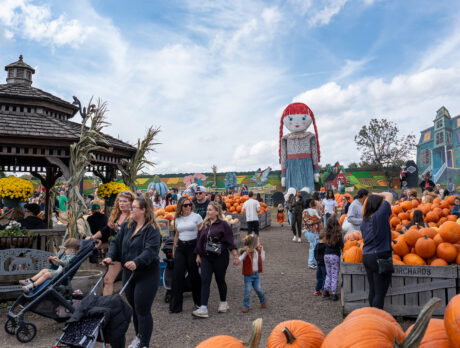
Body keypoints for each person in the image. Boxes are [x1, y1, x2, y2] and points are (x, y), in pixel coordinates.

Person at [103, 197, 162, 348]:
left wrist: (137, 262)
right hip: (129, 273)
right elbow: (116, 242)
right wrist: (110, 256)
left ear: (143, 210)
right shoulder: (127, 226)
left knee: (142, 308)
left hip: (146, 274)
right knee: (134, 307)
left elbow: (151, 250)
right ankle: (139, 337)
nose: (130, 209)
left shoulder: (152, 230)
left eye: (134, 207)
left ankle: (144, 343)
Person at [193, 202, 239, 318]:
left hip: (220, 257)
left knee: (220, 280)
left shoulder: (224, 225)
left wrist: (235, 256)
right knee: (205, 280)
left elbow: (230, 241)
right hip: (206, 257)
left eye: (210, 210)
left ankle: (223, 303)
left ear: (217, 212)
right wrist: (198, 254)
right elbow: (199, 240)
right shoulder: (204, 225)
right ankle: (203, 308)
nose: (208, 212)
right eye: (207, 210)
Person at [87, 191, 136, 296]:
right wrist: (92, 237)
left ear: (132, 203)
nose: (121, 204)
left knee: (132, 283)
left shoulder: (135, 216)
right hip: (117, 252)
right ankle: (106, 306)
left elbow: (133, 233)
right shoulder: (116, 216)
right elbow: (105, 230)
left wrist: (118, 229)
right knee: (108, 279)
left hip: (130, 252)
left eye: (124, 201)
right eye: (120, 201)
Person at [169, 197, 203, 313]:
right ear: (180, 207)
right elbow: (177, 235)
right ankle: (176, 306)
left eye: (189, 204)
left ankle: (199, 303)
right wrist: (174, 248)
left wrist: (199, 251)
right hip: (180, 248)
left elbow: (201, 235)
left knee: (194, 275)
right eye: (185, 205)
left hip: (192, 247)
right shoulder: (177, 219)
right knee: (177, 275)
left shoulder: (196, 217)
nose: (188, 207)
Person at [361, 192, 393, 309]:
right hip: (379, 256)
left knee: (373, 290)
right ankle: (376, 318)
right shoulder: (380, 215)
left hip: (367, 256)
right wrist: (378, 194)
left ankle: (372, 315)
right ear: (377, 205)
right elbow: (389, 195)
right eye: (381, 203)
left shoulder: (364, 221)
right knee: (380, 292)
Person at [238, 233, 266, 313]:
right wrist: (237, 261)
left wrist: (262, 250)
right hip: (248, 275)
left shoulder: (258, 251)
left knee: (259, 289)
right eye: (258, 242)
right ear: (253, 244)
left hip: (256, 275)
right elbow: (241, 258)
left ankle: (263, 301)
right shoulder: (247, 252)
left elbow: (263, 259)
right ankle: (245, 306)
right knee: (248, 290)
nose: (259, 244)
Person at [322, 215, 343, 301]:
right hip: (334, 256)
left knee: (328, 273)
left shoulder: (326, 234)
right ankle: (334, 293)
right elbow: (342, 246)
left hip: (326, 256)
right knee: (334, 275)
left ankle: (326, 290)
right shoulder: (338, 235)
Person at [303, 199, 322, 269]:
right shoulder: (305, 212)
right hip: (310, 231)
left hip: (314, 231)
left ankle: (312, 262)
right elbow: (308, 222)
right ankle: (311, 263)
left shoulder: (313, 211)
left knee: (314, 246)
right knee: (313, 246)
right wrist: (317, 221)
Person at [313, 231, 327, 296]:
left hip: (319, 264)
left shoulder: (317, 245)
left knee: (319, 278)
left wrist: (318, 260)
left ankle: (317, 290)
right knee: (324, 277)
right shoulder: (326, 246)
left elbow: (315, 255)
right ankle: (324, 290)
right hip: (324, 265)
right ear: (324, 238)